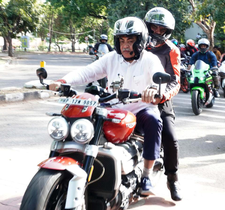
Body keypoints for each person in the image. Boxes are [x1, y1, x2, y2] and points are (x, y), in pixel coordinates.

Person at [49, 17, 166, 196]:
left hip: (140, 108)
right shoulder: (112, 58)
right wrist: (63, 81)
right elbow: (88, 72)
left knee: (154, 120)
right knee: (82, 116)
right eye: (122, 40)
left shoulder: (150, 60)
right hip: (113, 106)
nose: (125, 45)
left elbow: (160, 81)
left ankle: (147, 175)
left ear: (140, 41)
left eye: (130, 40)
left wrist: (153, 90)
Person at [144, 7, 182, 201]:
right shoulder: (139, 44)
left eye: (161, 29)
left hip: (161, 99)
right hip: (136, 96)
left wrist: (163, 95)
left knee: (170, 136)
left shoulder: (172, 50)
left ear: (167, 32)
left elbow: (176, 81)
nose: (157, 32)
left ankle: (172, 179)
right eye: (154, 27)